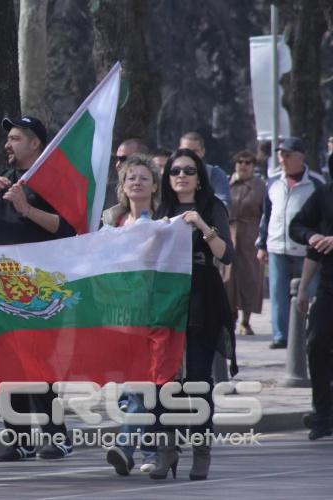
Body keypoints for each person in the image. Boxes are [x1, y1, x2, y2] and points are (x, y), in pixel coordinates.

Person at [0, 116, 76, 462]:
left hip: (40, 289)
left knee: (37, 364)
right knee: (6, 362)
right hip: (2, 284)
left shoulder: (52, 181)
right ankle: (18, 438)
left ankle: (56, 435)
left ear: (35, 143)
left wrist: (26, 208)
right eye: (9, 138)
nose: (8, 144)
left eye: (16, 138)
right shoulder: (6, 181)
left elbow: (69, 230)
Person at [151, 148, 236, 481]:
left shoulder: (212, 207)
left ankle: (201, 453)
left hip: (202, 295)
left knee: (198, 380)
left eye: (188, 171)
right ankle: (166, 450)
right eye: (175, 172)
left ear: (199, 178)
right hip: (168, 298)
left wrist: (201, 224)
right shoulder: (164, 210)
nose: (181, 176)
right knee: (162, 379)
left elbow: (226, 254)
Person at [100, 155, 161, 475]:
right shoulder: (111, 221)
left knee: (141, 381)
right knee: (128, 385)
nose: (137, 182)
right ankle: (149, 448)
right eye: (131, 178)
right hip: (118, 312)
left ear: (154, 186)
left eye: (143, 178)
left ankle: (126, 445)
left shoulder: (165, 223)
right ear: (122, 186)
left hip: (150, 312)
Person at [256, 137, 325, 349]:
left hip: (308, 249)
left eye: (287, 155)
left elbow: (323, 215)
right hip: (278, 245)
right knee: (278, 293)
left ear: (300, 156)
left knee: (309, 293)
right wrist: (262, 244)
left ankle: (307, 332)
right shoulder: (273, 181)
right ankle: (280, 335)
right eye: (280, 155)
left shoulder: (316, 182)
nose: (282, 159)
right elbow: (266, 215)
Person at [291, 179, 333, 441]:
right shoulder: (325, 194)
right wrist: (312, 236)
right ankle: (323, 414)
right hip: (328, 287)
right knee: (316, 342)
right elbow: (296, 227)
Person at [225, 151, 265, 336]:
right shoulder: (226, 184)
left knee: (250, 277)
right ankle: (230, 317)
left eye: (248, 162)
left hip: (250, 235)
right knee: (228, 277)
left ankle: (246, 320)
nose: (243, 165)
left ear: (253, 166)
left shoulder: (260, 186)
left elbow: (266, 213)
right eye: (239, 161)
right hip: (229, 233)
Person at [179, 131, 231, 209]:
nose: (190, 155)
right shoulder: (171, 174)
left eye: (194, 151)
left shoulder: (214, 174)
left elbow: (224, 204)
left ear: (202, 152)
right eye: (186, 151)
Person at [103, 139, 149, 209]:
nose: (117, 165)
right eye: (117, 159)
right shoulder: (105, 193)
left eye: (123, 159)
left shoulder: (162, 194)